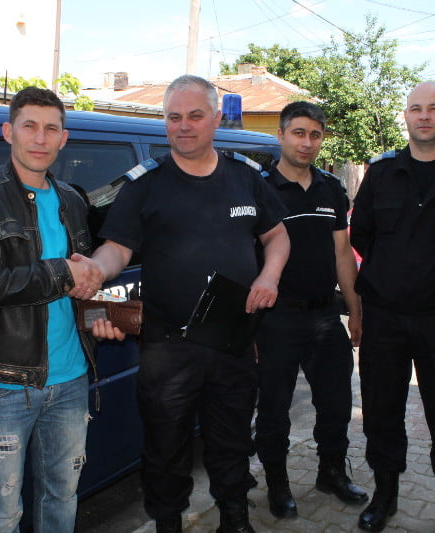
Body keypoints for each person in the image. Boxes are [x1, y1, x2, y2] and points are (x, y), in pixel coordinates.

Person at [89, 75, 290, 533]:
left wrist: (269, 275)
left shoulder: (245, 177)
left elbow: (277, 236)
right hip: (169, 347)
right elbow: (116, 249)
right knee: (166, 446)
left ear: (215, 119)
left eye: (194, 116)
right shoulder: (146, 184)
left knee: (232, 439)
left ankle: (235, 519)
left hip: (232, 339)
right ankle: (168, 523)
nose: (183, 126)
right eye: (173, 117)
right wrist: (95, 271)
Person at [0, 86, 122, 533]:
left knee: (61, 498)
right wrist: (61, 271)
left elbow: (83, 279)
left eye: (51, 128)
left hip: (71, 378)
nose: (40, 138)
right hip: (2, 384)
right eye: (29, 126)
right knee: (1, 514)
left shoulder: (73, 200)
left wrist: (102, 318)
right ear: (9, 132)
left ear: (64, 138)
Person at [350, 82, 435, 532]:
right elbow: (361, 234)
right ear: (406, 116)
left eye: (433, 108)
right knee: (381, 410)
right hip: (385, 318)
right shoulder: (381, 172)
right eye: (415, 108)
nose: (424, 116)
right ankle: (385, 495)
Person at [253, 101, 367, 519]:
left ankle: (331, 473)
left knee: (336, 403)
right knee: (274, 410)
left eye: (315, 135)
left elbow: (342, 253)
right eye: (298, 133)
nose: (306, 142)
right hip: (275, 318)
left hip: (324, 315)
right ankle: (278, 485)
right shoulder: (259, 187)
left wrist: (355, 310)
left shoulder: (331, 188)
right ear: (281, 135)